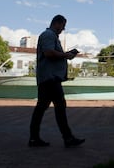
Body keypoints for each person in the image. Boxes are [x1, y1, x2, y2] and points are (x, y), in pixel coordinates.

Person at [28, 15, 85, 148]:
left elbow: (51, 53)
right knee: (59, 107)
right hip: (50, 79)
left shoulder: (50, 36)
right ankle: (68, 138)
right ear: (57, 23)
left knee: (42, 108)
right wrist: (66, 55)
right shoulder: (49, 35)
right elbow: (48, 53)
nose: (63, 29)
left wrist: (65, 54)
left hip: (48, 78)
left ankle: (34, 138)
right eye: (63, 26)